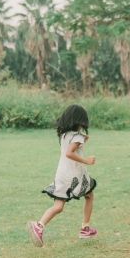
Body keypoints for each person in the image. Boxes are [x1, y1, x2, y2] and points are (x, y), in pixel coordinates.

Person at [27, 104, 97, 247]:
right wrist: (86, 161)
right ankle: (84, 228)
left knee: (59, 206)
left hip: (62, 173)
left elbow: (70, 148)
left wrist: (83, 141)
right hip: (75, 174)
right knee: (89, 196)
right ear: (79, 121)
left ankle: (39, 225)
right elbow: (69, 153)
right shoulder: (77, 136)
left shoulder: (64, 135)